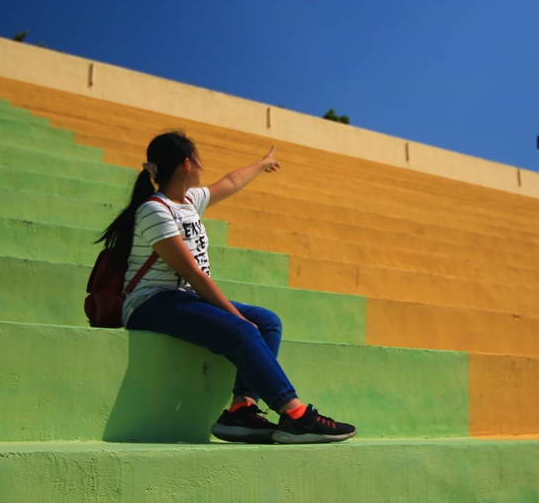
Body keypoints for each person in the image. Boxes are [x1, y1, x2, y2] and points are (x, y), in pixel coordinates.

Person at [98, 131, 356, 444]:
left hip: (182, 299)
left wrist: (261, 164)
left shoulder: (189, 201)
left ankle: (241, 409)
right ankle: (296, 414)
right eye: (198, 158)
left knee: (267, 321)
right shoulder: (155, 210)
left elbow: (230, 183)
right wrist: (236, 316)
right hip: (149, 303)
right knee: (244, 328)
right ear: (186, 164)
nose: (202, 166)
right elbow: (193, 274)